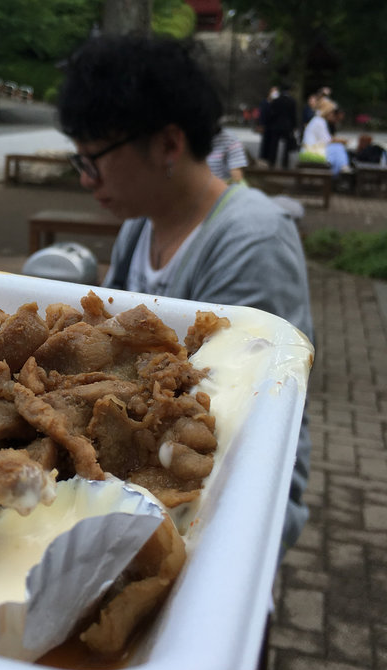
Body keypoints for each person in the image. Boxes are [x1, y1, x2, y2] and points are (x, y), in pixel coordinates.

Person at [57, 33, 313, 558]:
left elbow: (237, 412)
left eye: (96, 159)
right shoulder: (140, 226)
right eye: (79, 160)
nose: (87, 180)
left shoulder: (251, 237)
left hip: (231, 522)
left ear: (169, 144)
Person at [300, 97, 350, 175]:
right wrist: (342, 141)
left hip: (311, 151)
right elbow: (327, 140)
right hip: (311, 152)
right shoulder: (319, 121)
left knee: (337, 150)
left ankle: (340, 170)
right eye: (332, 113)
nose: (333, 115)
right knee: (338, 148)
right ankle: (342, 169)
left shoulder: (318, 120)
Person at [263, 84, 298, 168]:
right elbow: (293, 115)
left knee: (274, 145)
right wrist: (294, 126)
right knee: (286, 146)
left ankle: (272, 161)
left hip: (276, 126)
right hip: (287, 126)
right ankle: (285, 163)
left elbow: (271, 113)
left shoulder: (276, 100)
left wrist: (270, 123)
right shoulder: (292, 101)